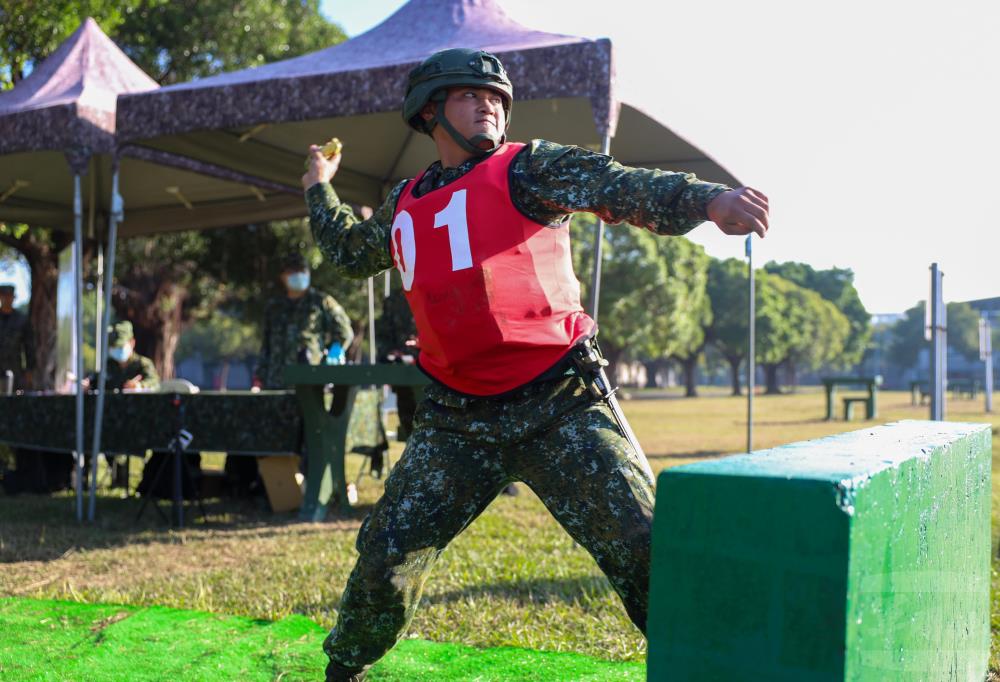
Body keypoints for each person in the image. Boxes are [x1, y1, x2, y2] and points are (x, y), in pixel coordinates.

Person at [302, 48, 769, 682]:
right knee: (385, 558)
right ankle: (343, 670)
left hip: (559, 402)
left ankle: (716, 668)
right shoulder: (404, 202)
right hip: (454, 419)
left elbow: (615, 184)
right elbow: (349, 252)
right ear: (431, 111)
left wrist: (706, 199)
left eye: (496, 96)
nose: (490, 104)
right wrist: (317, 185)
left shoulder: (530, 168)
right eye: (472, 95)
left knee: (646, 548)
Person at [0, 283, 33, 393]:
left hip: (15, 370)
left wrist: (29, 370)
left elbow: (29, 346)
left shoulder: (21, 320)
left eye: (9, 296)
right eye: (4, 296)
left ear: (14, 298)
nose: (7, 299)